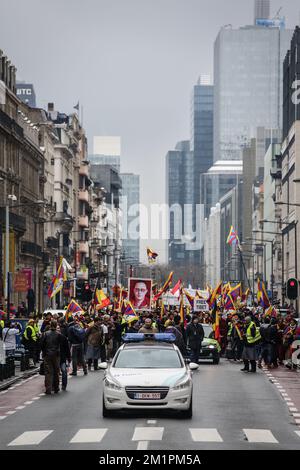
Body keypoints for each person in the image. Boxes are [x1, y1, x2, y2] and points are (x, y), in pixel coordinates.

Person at [41, 320, 61, 394]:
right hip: (56, 355)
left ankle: (48, 389)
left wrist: (44, 352)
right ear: (56, 326)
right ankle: (56, 387)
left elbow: (42, 344)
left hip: (47, 354)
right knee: (56, 371)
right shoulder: (58, 334)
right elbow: (60, 345)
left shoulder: (45, 334)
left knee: (48, 372)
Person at [57, 322, 71, 391]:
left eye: (58, 329)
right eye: (57, 329)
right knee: (55, 372)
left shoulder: (63, 338)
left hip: (62, 358)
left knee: (64, 371)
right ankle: (55, 386)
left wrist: (69, 358)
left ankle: (64, 385)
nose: (58, 330)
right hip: (55, 357)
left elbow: (67, 349)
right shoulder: (50, 336)